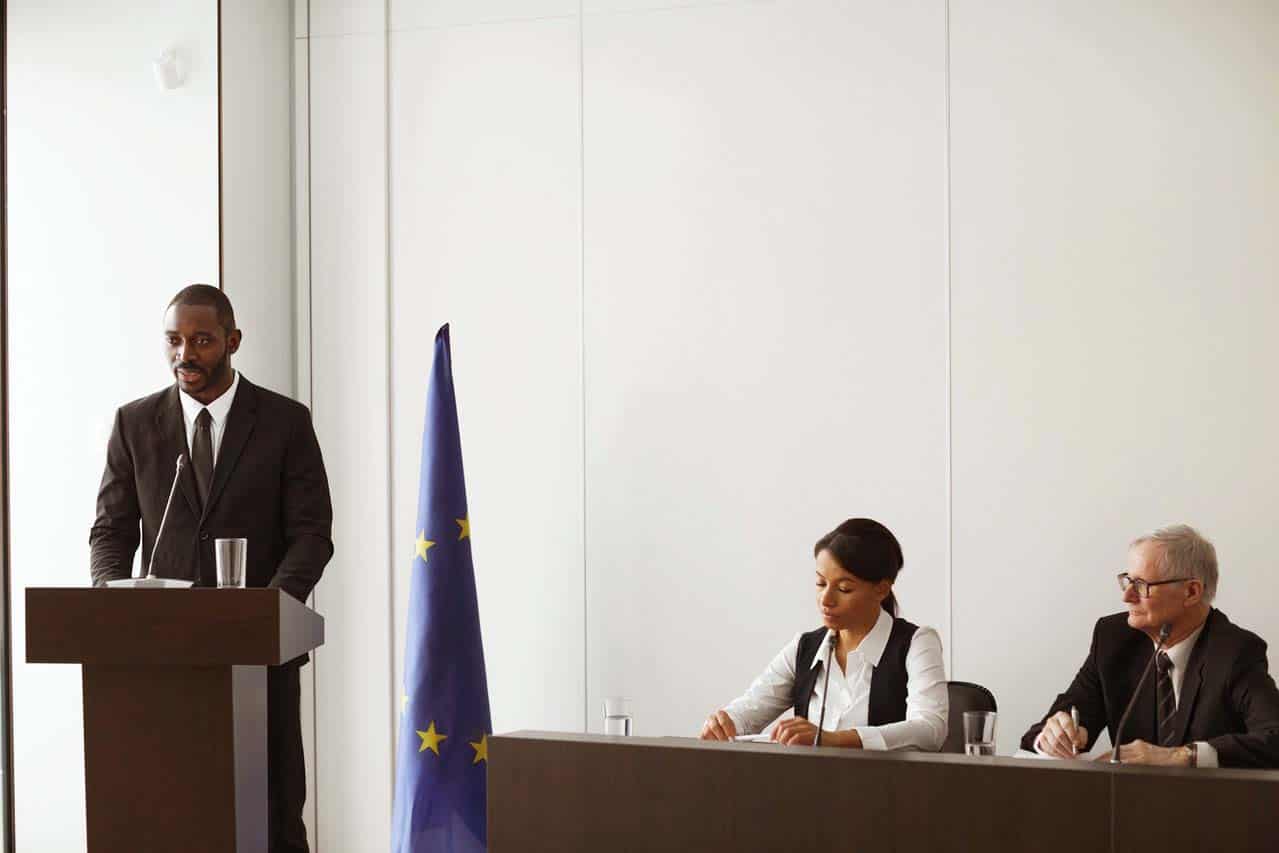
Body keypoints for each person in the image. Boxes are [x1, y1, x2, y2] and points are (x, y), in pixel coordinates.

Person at [89, 284, 334, 852]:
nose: (185, 354)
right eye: (174, 341)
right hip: (159, 660)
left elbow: (312, 534)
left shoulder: (284, 422)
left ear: (232, 341)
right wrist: (110, 598)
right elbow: (111, 530)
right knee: (167, 814)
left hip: (260, 663)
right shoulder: (134, 423)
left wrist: (264, 612)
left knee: (270, 820)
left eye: (201, 340)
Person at [1022, 524, 1279, 768]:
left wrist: (1181, 756)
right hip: (1124, 805)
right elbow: (1040, 732)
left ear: (1191, 592)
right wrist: (1055, 736)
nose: (1127, 596)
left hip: (1209, 807)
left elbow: (1273, 738)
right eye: (1127, 581)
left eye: (1142, 585)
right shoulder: (1114, 640)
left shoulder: (1234, 652)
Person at [699, 518, 947, 750]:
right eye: (820, 583)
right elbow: (751, 708)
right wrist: (726, 723)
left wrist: (832, 739)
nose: (826, 599)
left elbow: (930, 729)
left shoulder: (917, 642)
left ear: (881, 589)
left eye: (844, 588)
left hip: (886, 792)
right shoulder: (805, 647)